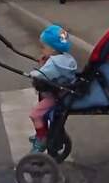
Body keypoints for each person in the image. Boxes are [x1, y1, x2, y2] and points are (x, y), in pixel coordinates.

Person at [28, 24, 78, 153]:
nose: (42, 50)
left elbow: (42, 75)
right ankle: (43, 133)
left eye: (44, 47)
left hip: (55, 95)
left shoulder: (53, 64)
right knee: (40, 112)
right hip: (64, 91)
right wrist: (45, 61)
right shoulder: (66, 59)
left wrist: (33, 73)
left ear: (53, 49)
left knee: (35, 114)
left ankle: (41, 139)